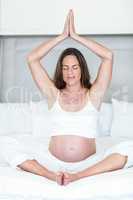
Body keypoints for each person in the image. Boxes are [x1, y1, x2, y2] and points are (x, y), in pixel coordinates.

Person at [17, 10, 129, 186]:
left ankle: (77, 176)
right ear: (60, 70)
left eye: (75, 67)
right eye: (66, 67)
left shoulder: (94, 94)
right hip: (52, 163)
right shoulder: (53, 93)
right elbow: (32, 59)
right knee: (7, 146)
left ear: (82, 69)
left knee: (128, 148)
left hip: (89, 164)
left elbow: (108, 56)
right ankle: (50, 176)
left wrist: (75, 36)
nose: (70, 72)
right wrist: (62, 36)